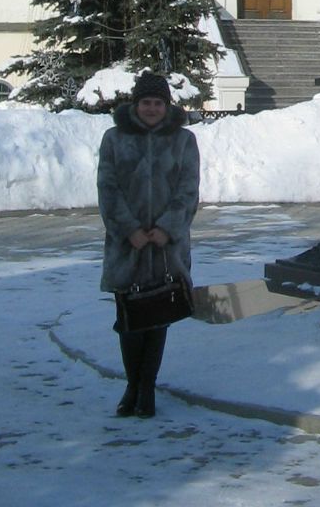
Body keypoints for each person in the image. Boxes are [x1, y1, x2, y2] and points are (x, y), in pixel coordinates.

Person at [97, 71, 200, 418]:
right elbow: (107, 189)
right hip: (128, 247)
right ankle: (132, 385)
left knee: (158, 318)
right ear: (135, 104)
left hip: (166, 247)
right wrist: (129, 230)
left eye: (158, 102)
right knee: (129, 319)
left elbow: (189, 189)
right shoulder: (114, 139)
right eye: (146, 102)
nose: (152, 108)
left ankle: (147, 388)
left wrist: (168, 228)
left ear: (167, 105)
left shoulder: (183, 140)